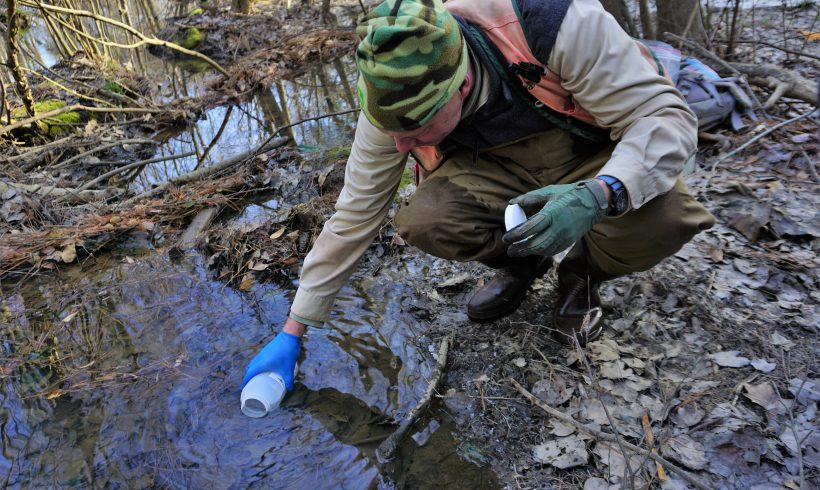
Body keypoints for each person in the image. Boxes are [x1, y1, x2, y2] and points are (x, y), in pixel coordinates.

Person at [242, 0, 715, 392]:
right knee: (425, 220)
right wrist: (294, 328)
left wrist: (599, 195)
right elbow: (354, 215)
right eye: (393, 132)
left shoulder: (556, 25)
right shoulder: (391, 100)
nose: (402, 146)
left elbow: (666, 119)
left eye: (416, 130)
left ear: (462, 85)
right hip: (496, 169)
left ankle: (582, 275)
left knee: (667, 217)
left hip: (591, 152)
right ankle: (524, 260)